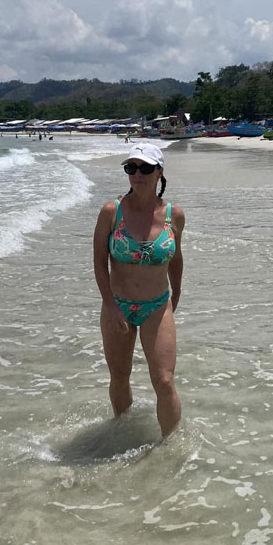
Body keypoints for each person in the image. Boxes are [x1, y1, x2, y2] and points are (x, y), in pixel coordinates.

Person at [93, 143, 185, 438]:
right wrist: (109, 303)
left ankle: (171, 449)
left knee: (165, 380)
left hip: (157, 306)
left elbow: (177, 256)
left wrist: (177, 294)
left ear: (159, 172)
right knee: (119, 376)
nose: (137, 174)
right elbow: (99, 259)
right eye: (131, 168)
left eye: (145, 168)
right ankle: (122, 430)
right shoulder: (111, 211)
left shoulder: (174, 215)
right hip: (117, 305)